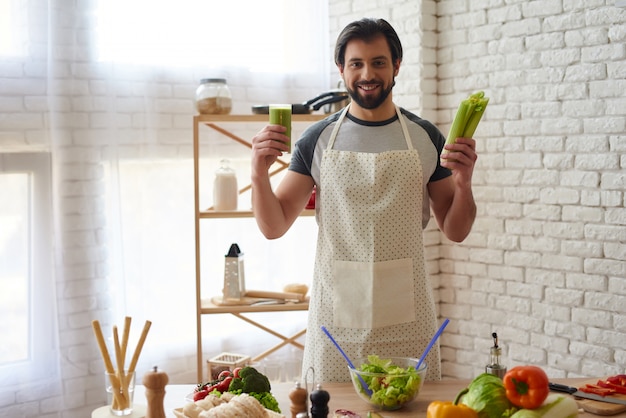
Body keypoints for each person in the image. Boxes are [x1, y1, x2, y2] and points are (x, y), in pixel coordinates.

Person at [250, 17, 477, 382]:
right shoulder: (316, 139)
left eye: (378, 62)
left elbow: (456, 229)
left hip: (409, 320)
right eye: (356, 63)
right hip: (336, 323)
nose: (366, 73)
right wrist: (258, 174)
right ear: (341, 69)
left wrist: (464, 184)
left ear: (396, 66)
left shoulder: (425, 137)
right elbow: (273, 226)